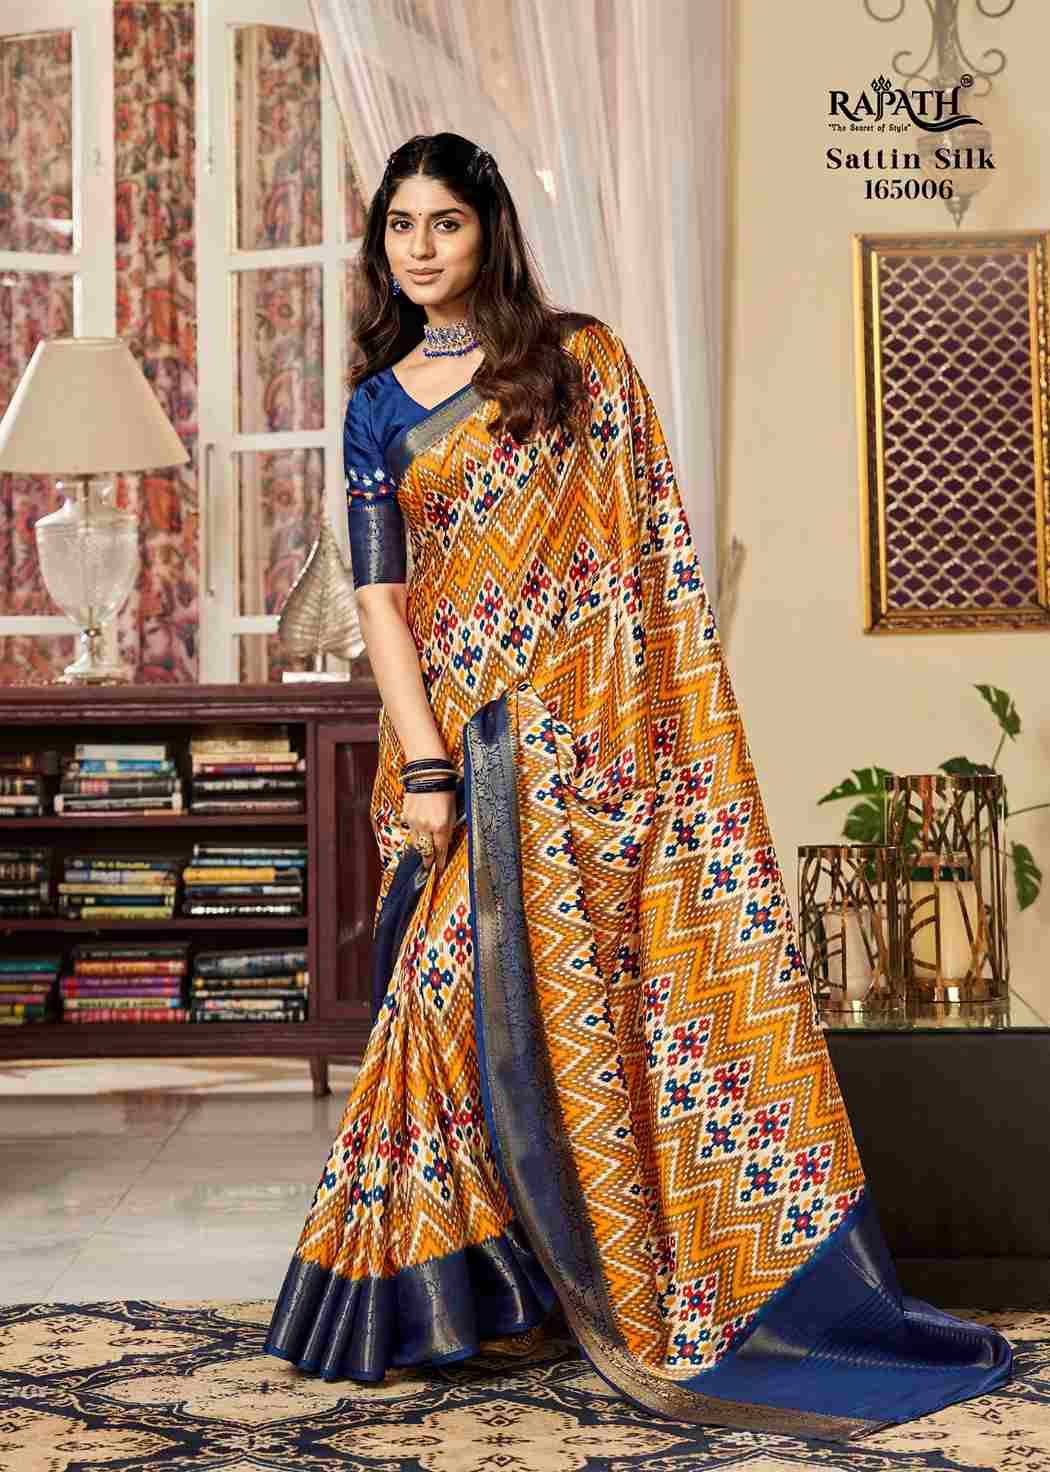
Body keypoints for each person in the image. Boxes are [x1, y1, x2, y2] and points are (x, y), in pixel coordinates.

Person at [263, 131, 1011, 1441]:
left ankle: (529, 1292)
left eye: (445, 222)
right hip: (461, 750)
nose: (420, 248)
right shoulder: (378, 403)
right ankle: (437, 1296)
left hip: (588, 759)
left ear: (489, 232)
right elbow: (383, 600)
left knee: (578, 1023)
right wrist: (427, 759)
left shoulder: (576, 364)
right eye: (399, 226)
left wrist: (601, 739)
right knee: (438, 1000)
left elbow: (640, 568)